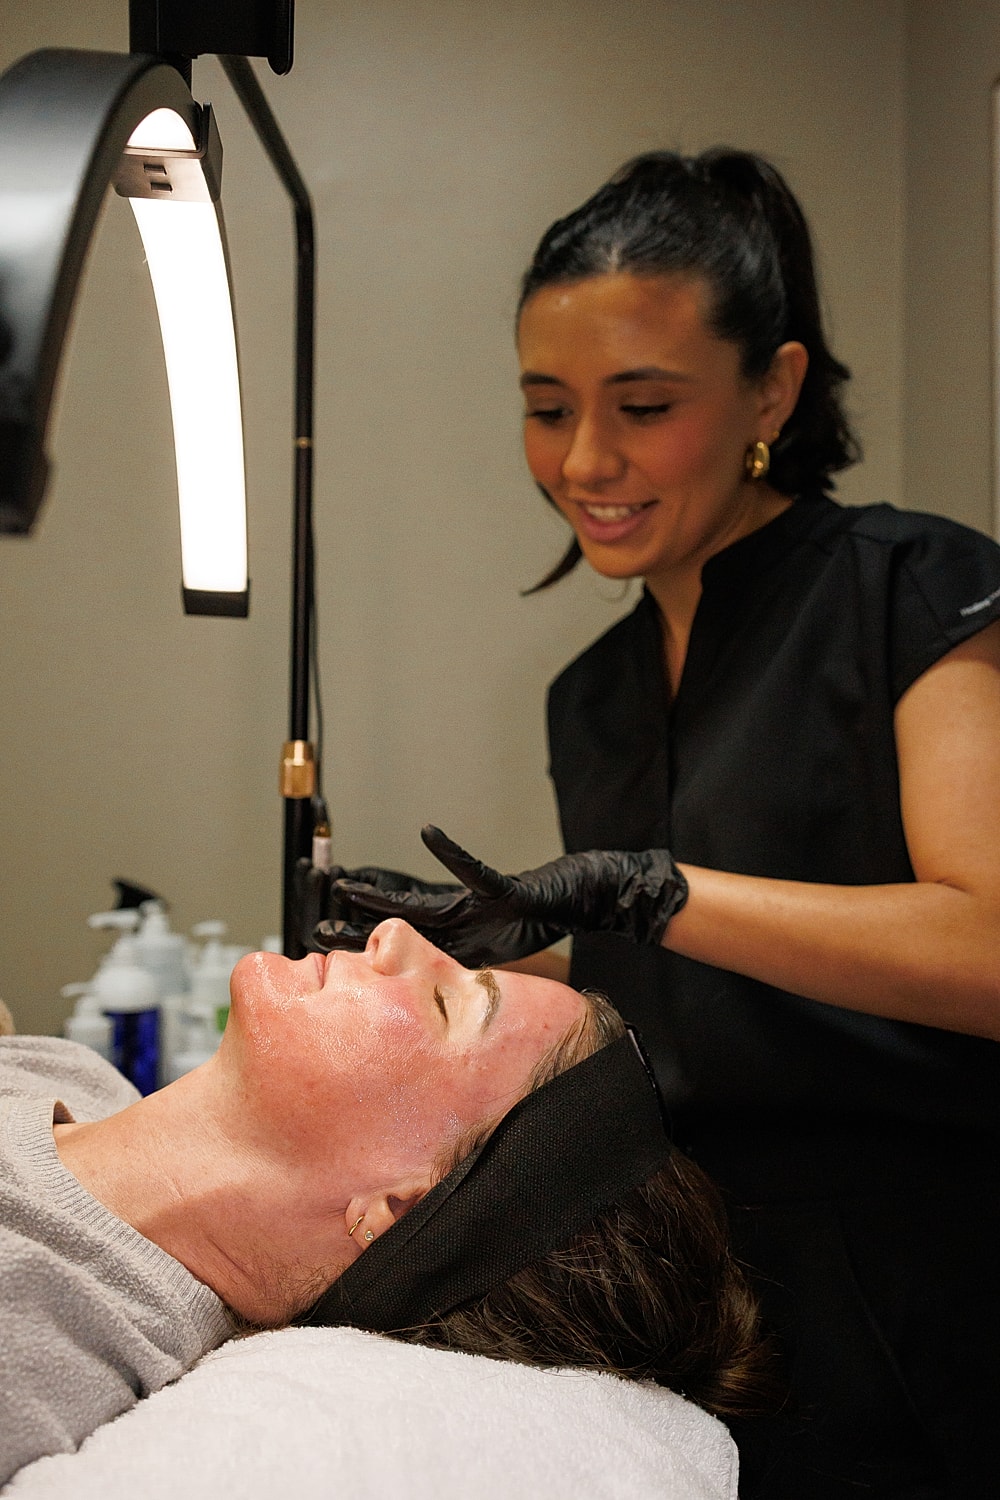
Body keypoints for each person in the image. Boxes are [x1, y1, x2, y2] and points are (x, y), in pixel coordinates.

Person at [318, 150, 1000, 1499]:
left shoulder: (910, 588)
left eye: (643, 406)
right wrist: (494, 944)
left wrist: (649, 889)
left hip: (937, 1282)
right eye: (547, 408)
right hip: (716, 1299)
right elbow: (682, 984)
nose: (585, 460)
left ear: (773, 391)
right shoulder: (593, 694)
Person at [0, 917, 770, 1486]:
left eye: (444, 1002)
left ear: (398, 1208)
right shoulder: (70, 1075)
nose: (394, 933)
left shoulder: (40, 1326)